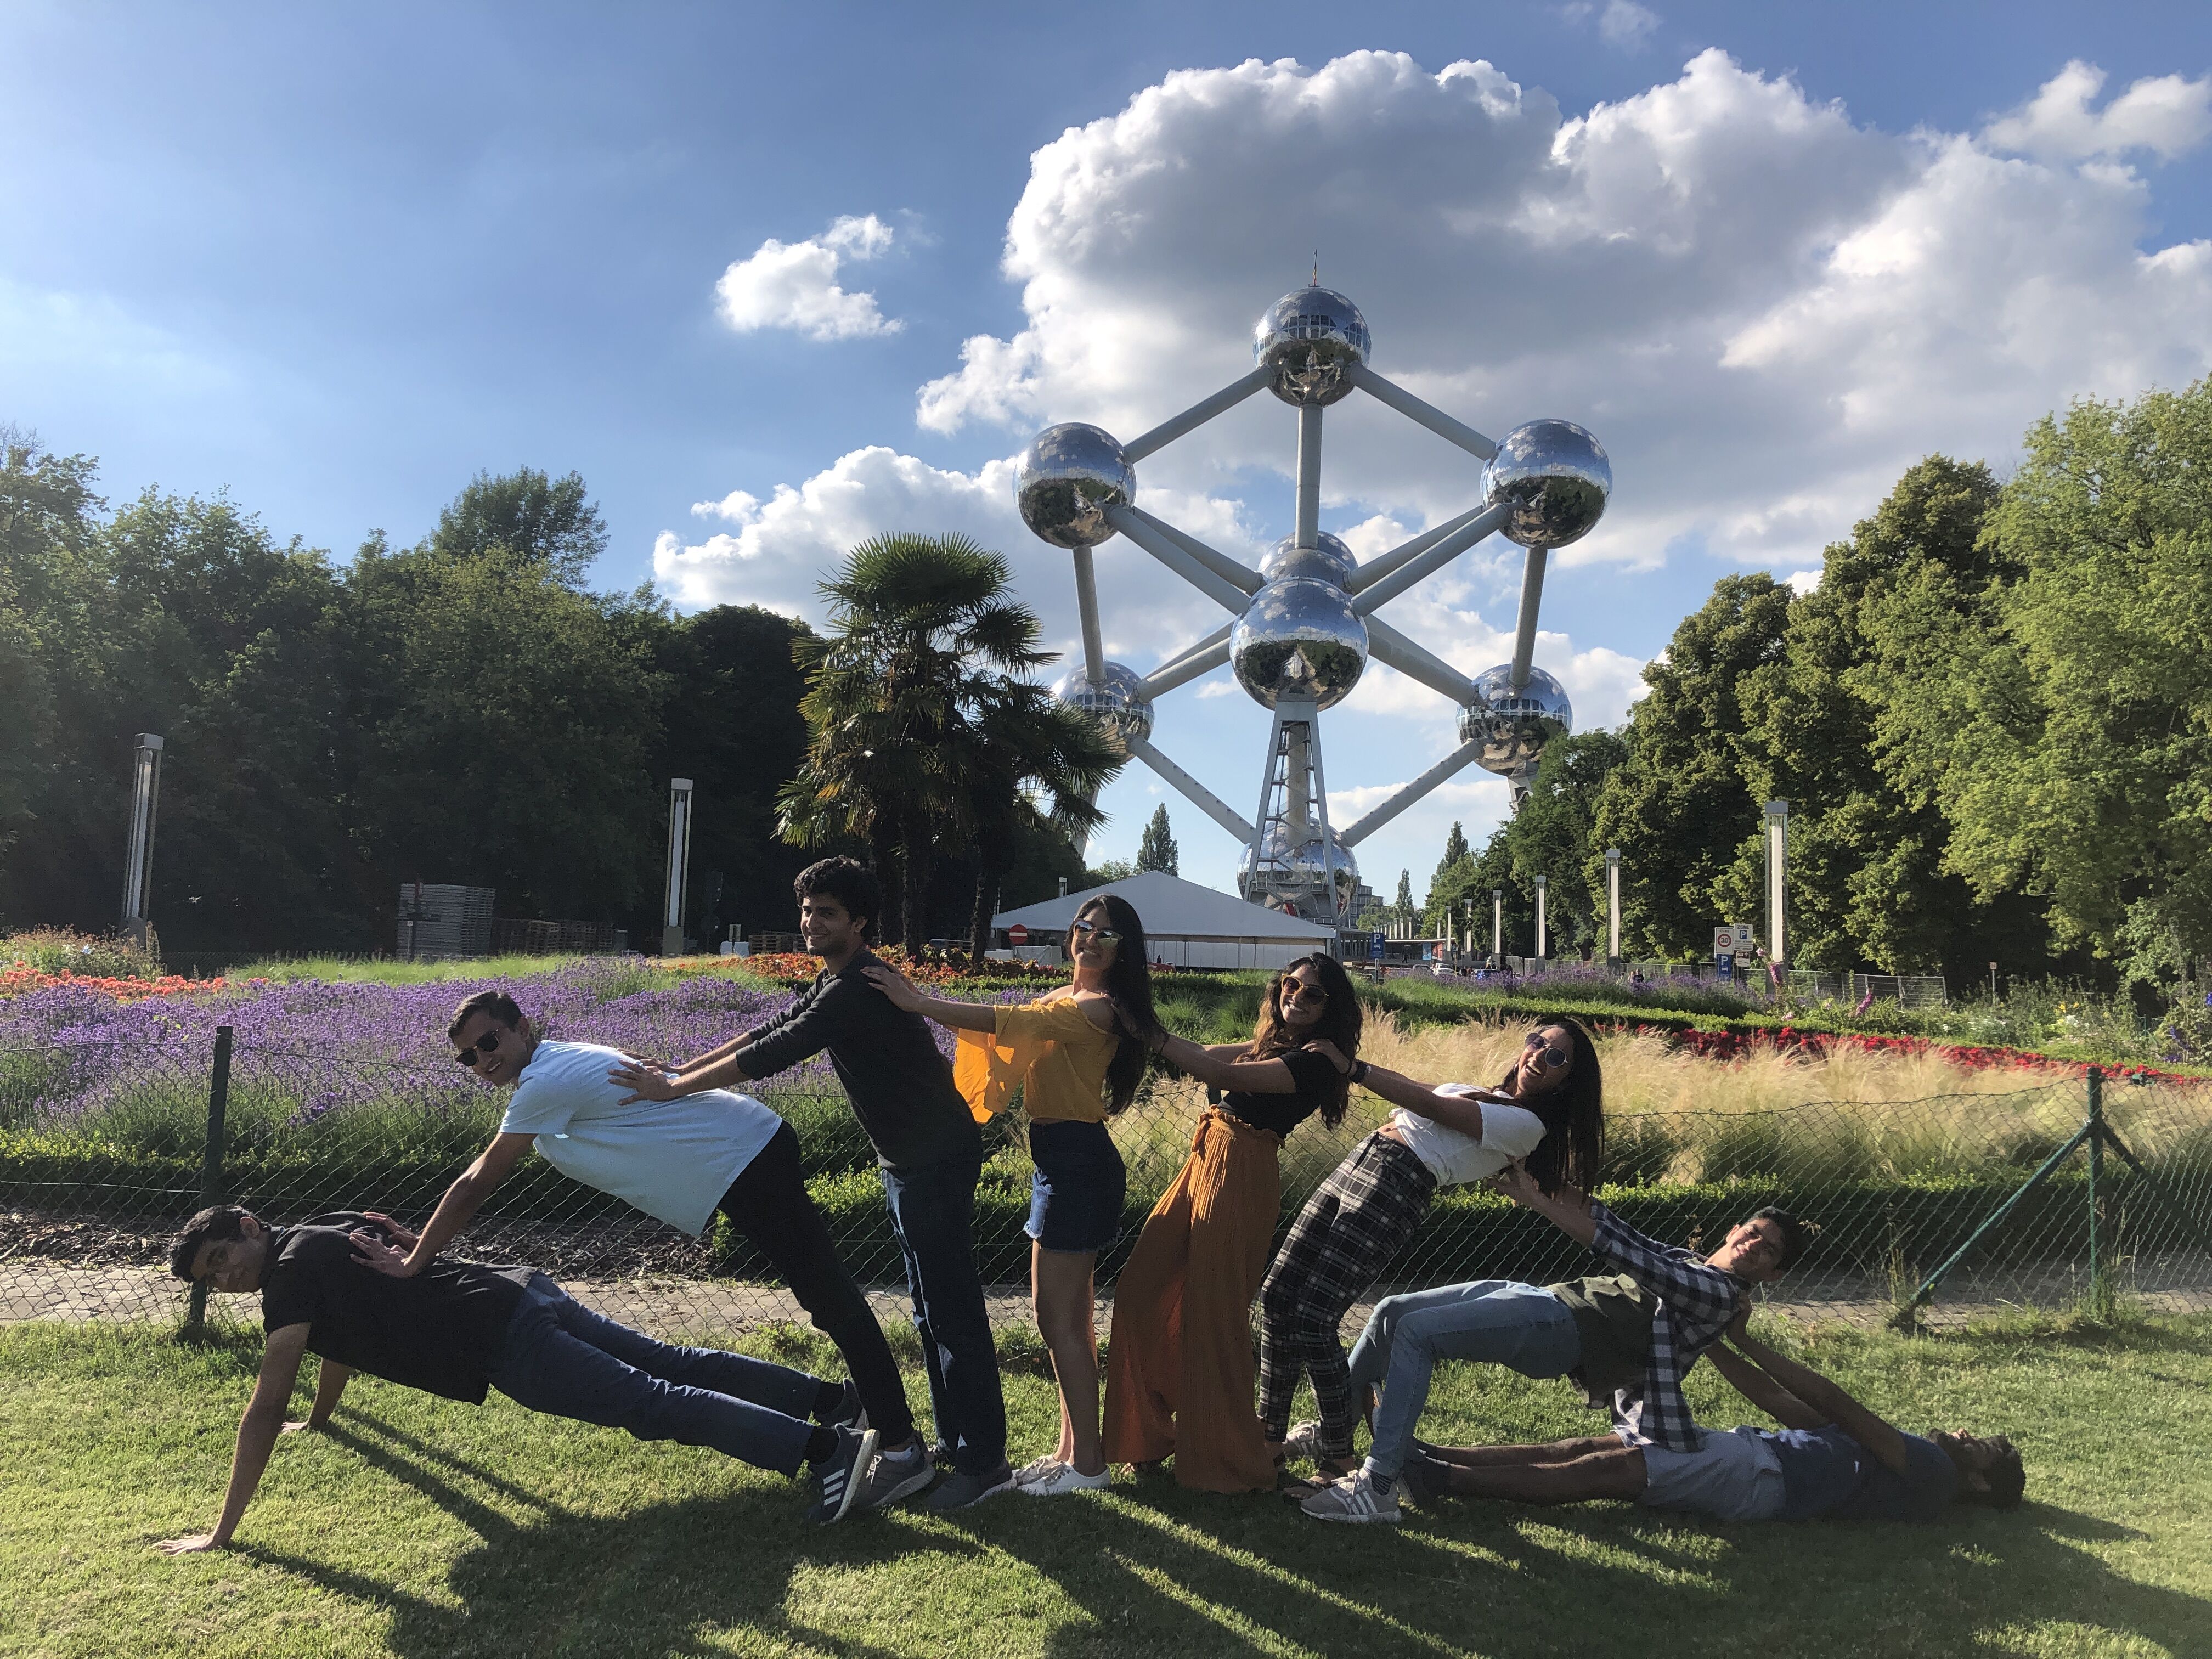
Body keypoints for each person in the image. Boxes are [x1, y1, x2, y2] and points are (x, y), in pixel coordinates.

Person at [369, 987, 920, 1514]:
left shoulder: (544, 1082)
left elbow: (477, 1180)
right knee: (829, 1300)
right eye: (467, 1057)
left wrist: (418, 1260)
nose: (482, 1060)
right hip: (744, 1154)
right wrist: (430, 1241)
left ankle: (900, 1450)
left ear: (522, 1028)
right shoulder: (554, 1061)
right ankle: (852, 1408)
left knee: (834, 1302)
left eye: (489, 1042)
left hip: (742, 1159)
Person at [608, 856, 1006, 1511]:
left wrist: (675, 1087)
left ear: (858, 920)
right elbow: (768, 1028)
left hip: (934, 1159)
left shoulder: (858, 985)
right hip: (909, 1160)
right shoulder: (841, 978)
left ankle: (984, 1464)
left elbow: (777, 1052)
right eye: (805, 910)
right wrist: (680, 1068)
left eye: (826, 912)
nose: (810, 923)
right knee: (930, 1308)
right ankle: (956, 1445)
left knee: (952, 1312)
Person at [154, 1205, 879, 1554]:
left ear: (248, 1227)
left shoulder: (284, 1282)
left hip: (503, 1337)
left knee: (652, 1402)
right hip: (520, 1291)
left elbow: (262, 1405)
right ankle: (839, 1404)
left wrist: (222, 1534)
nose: (225, 1278)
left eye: (221, 1257)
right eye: (211, 1279)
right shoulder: (314, 1234)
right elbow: (342, 1341)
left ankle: (827, 1454)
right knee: (668, 1364)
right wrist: (319, 1421)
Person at [1301, 1161, 1810, 1525]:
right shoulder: (1691, 1261)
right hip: (1541, 1299)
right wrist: (1539, 1175)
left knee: (1417, 1334)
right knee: (1392, 1312)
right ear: (1733, 1231)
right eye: (1753, 1233)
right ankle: (1335, 1432)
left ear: (1776, 1274)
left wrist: (1537, 1201)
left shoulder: (1718, 1295)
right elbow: (1619, 1226)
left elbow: (1626, 1256)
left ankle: (1380, 1487)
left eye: (1769, 1251)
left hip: (1563, 1330)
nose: (1753, 1247)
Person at [866, 893, 1163, 1498]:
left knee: (1061, 1322)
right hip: (1057, 1160)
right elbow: (1021, 1026)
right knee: (1060, 1319)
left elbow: (1018, 1025)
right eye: (1083, 927)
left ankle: (1089, 1468)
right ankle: (1071, 1451)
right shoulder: (1064, 997)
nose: (1088, 938)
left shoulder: (1100, 1009)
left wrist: (920, 1003)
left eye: (1104, 934)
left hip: (1078, 1163)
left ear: (1123, 951)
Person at [1260, 1018, 1606, 1488]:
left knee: (1314, 1316)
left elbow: (1428, 1105)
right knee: (1278, 1297)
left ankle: (1339, 1457)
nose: (1538, 1056)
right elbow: (1414, 1086)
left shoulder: (1528, 1125)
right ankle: (1267, 1443)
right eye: (1537, 1042)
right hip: (1362, 1163)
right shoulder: (1489, 1095)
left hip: (1396, 1185)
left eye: (1556, 1057)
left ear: (1569, 1080)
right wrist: (1349, 1066)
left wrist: (1352, 1068)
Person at [1101, 954, 1362, 1493]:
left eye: (1313, 994)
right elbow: (1202, 1056)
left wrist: (1143, 1024)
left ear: (1330, 1009)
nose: (1297, 996)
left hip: (1242, 1169)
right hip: (1206, 1158)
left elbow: (1217, 1074)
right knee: (1139, 1288)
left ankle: (1225, 1456)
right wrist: (1135, 1021)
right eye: (1292, 985)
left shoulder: (1316, 1061)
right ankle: (1149, 1435)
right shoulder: (1270, 1045)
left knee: (1212, 1315)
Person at [1397, 1309, 2024, 1521]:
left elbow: (1837, 1404)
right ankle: (1427, 1457)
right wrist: (1723, 1339)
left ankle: (1442, 1480)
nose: (1967, 1435)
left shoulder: (1937, 1475)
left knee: (1608, 1471)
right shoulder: (1913, 1461)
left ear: (1976, 1482)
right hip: (1754, 1453)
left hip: (1763, 1480)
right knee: (1584, 1446)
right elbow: (1781, 1405)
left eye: (1983, 1450)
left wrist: (1744, 1339)